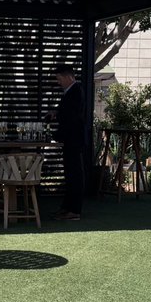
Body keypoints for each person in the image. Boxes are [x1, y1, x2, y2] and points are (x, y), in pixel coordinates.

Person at [52, 64, 86, 220]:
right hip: (70, 139)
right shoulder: (70, 92)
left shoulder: (75, 92)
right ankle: (68, 207)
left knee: (74, 174)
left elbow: (71, 117)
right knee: (70, 173)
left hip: (73, 139)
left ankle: (74, 210)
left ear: (67, 77)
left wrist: (58, 118)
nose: (58, 82)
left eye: (59, 79)